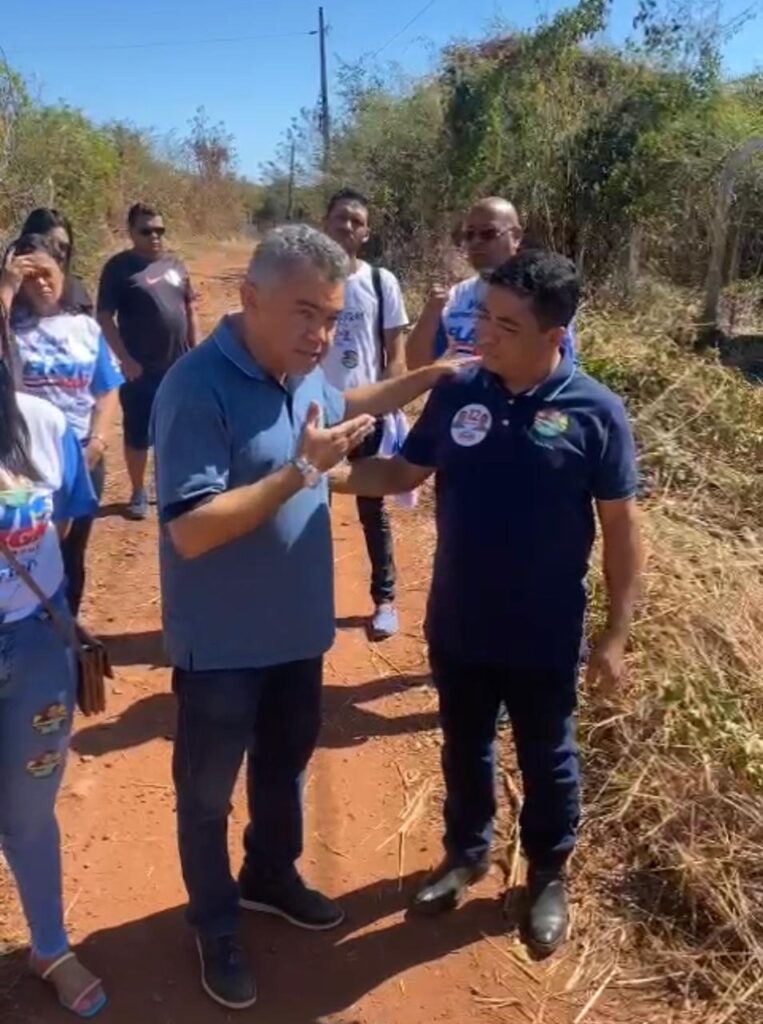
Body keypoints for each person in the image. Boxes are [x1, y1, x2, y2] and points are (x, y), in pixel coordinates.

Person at [152, 224, 468, 1011]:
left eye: (329, 316)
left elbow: (345, 407)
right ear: (247, 298)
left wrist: (426, 377)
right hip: (221, 645)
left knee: (284, 769)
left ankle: (269, 874)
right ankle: (215, 922)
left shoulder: (302, 370)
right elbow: (190, 530)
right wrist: (303, 471)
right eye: (303, 313)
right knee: (205, 796)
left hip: (296, 633)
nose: (319, 334)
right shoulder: (195, 389)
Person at [332, 249, 642, 956]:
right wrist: (320, 477)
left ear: (552, 336)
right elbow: (404, 469)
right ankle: (466, 853)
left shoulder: (595, 412)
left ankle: (545, 876)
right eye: (482, 316)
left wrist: (614, 635)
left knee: (547, 755)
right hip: (459, 618)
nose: (484, 333)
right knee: (465, 745)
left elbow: (623, 531)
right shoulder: (459, 391)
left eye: (504, 323)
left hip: (543, 629)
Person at [0, 303, 105, 1018]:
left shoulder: (41, 426)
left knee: (29, 812)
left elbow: (65, 516)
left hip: (37, 647)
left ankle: (49, 943)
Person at [0, 235, 122, 615]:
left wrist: (97, 444)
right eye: (29, 275)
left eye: (46, 272)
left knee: (71, 553)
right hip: (23, 462)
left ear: (62, 273)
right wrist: (6, 288)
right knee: (22, 555)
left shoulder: (85, 329)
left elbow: (107, 390)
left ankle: (66, 637)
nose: (40, 282)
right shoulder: (12, 328)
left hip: (82, 456)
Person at [322, 188, 409, 639]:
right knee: (306, 508)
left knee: (372, 511)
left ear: (367, 232)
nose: (348, 227)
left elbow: (395, 350)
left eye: (357, 221)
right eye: (341, 219)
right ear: (326, 222)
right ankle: (309, 602)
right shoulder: (309, 278)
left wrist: (391, 407)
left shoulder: (381, 283)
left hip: (367, 415)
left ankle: (385, 600)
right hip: (315, 416)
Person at [97, 203, 198, 520]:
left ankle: (169, 487)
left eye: (160, 230)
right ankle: (139, 491)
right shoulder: (119, 268)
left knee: (176, 429)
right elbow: (103, 317)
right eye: (146, 230)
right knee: (138, 432)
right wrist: (124, 359)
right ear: (131, 232)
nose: (155, 236)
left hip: (178, 366)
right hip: (139, 369)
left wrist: (196, 353)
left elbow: (190, 307)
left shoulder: (176, 264)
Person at [406, 197, 575, 369]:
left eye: (488, 233)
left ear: (516, 236)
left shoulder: (544, 295)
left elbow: (562, 368)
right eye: (469, 235)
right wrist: (430, 313)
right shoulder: (456, 297)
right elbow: (416, 366)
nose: (476, 242)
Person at [15, 208, 94, 316]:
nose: (60, 254)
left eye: (64, 247)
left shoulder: (75, 290)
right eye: (52, 245)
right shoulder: (7, 285)